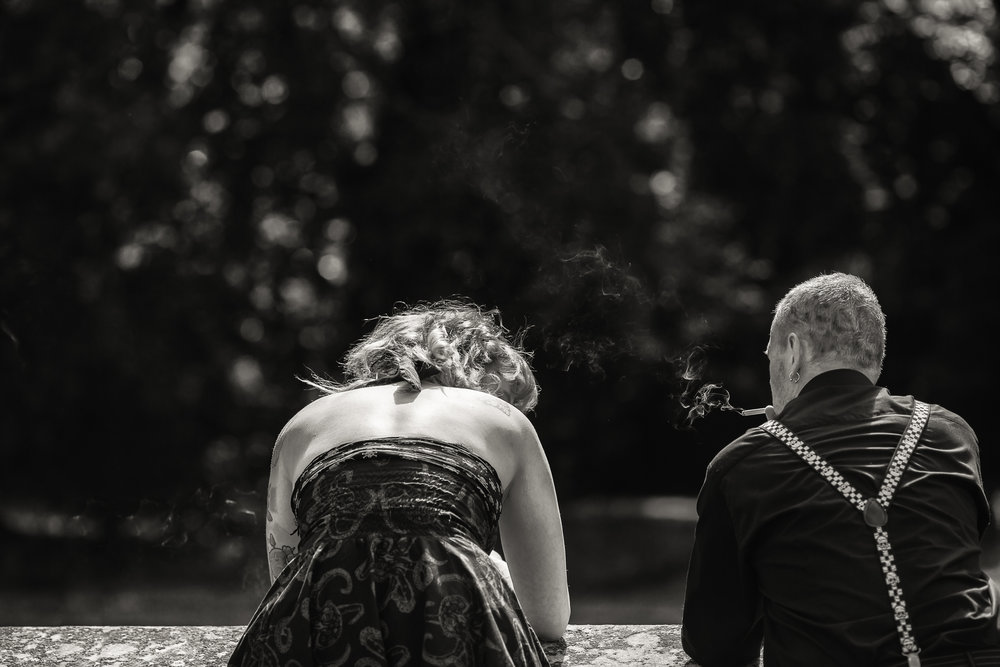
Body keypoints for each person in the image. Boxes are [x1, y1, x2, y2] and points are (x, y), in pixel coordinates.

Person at [682, 272, 1000, 666]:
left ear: (794, 352)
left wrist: (771, 444)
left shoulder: (742, 465)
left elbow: (715, 644)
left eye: (771, 357)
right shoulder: (950, 433)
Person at [229, 299, 570, 667]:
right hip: (452, 618)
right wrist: (496, 572)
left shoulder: (301, 424)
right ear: (479, 377)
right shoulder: (504, 420)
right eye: (505, 395)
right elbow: (548, 619)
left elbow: (287, 576)